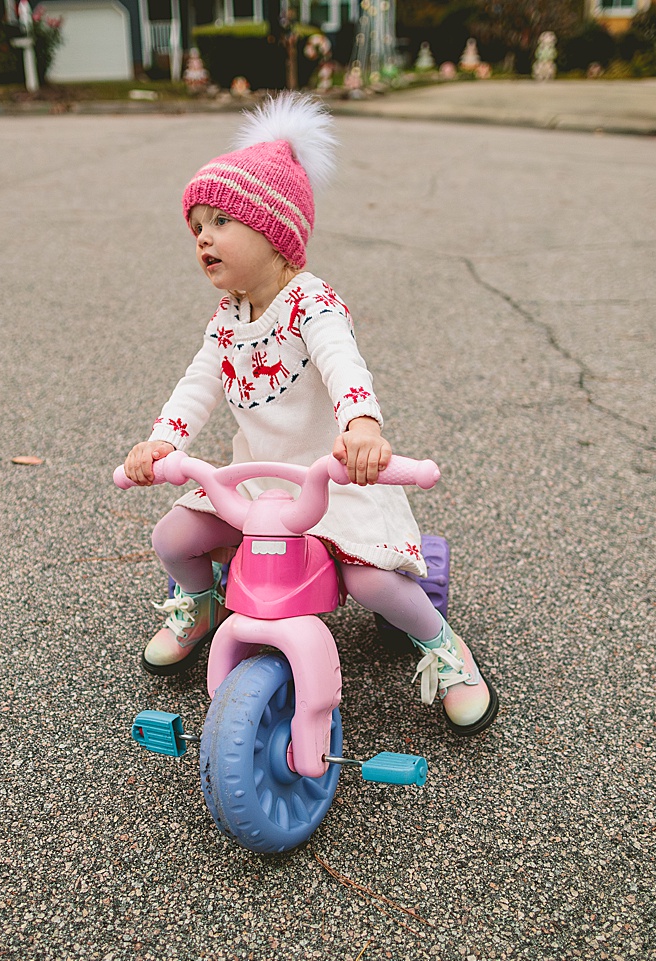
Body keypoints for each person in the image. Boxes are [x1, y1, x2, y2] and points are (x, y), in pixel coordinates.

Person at [121, 93, 496, 735]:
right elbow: (198, 384)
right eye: (197, 228)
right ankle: (200, 603)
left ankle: (444, 648)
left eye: (220, 222)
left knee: (371, 584)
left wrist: (362, 428)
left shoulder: (310, 304)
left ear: (272, 232)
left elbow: (343, 363)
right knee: (173, 539)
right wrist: (162, 442)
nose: (204, 237)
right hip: (258, 486)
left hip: (333, 482)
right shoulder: (227, 320)